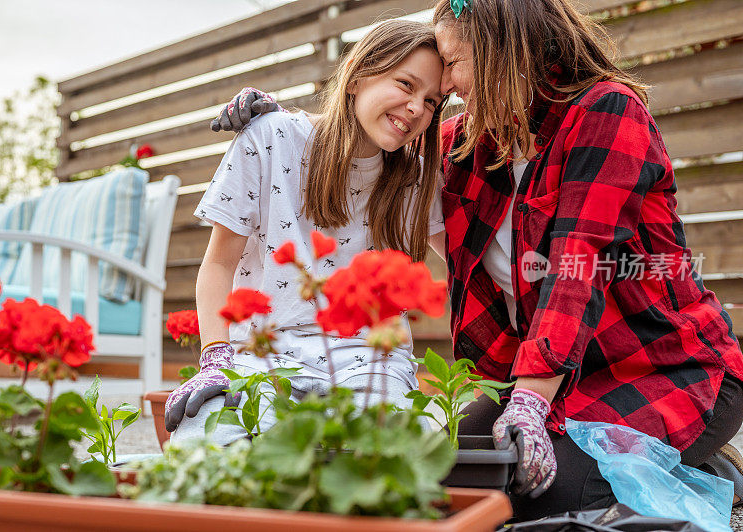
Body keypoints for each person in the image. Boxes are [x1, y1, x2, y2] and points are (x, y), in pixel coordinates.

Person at [211, 0, 743, 520]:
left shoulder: (606, 112)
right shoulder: (463, 146)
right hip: (547, 374)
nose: (445, 87)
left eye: (454, 62)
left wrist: (532, 401)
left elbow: (574, 269)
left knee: (541, 495)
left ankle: (708, 466)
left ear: (497, 46)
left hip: (658, 366)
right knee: (443, 472)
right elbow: (370, 152)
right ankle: (646, 461)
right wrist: (281, 128)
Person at [165, 19, 448, 446]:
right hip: (260, 356)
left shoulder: (415, 179)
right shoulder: (270, 138)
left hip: (373, 363)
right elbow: (219, 263)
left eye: (431, 101)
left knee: (397, 455)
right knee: (199, 450)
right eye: (405, 85)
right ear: (358, 74)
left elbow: (468, 265)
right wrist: (215, 359)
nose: (416, 108)